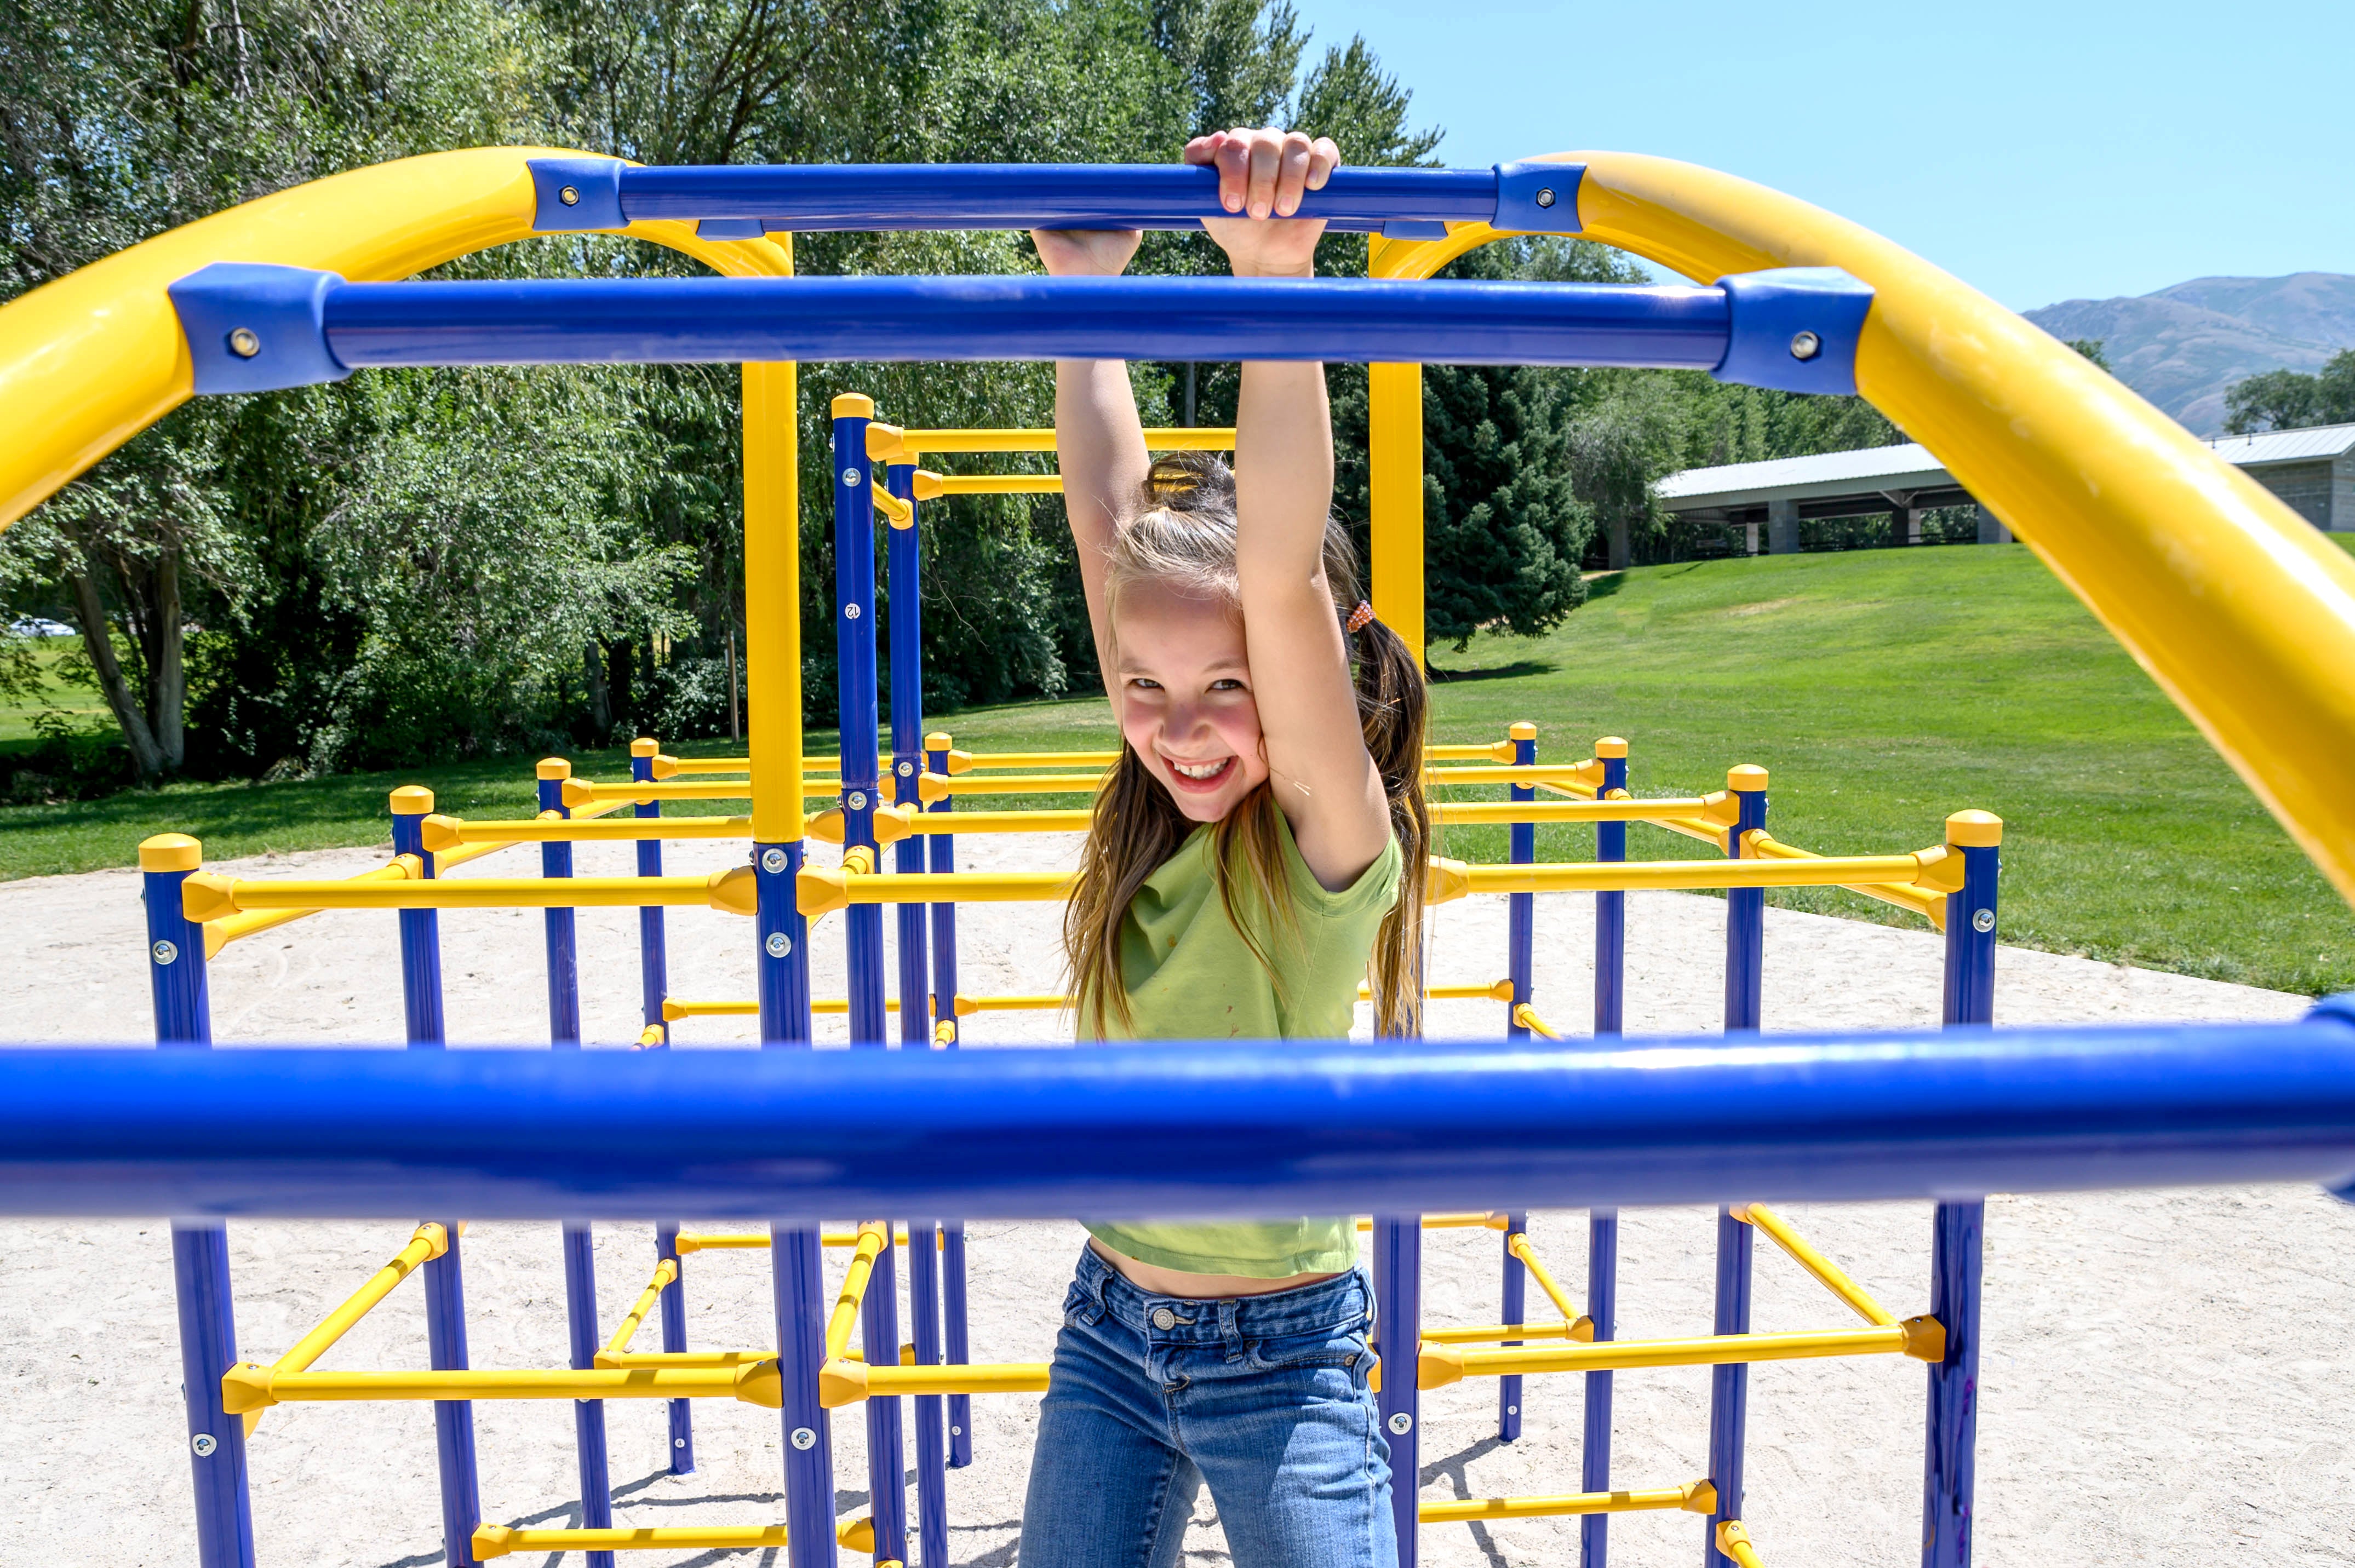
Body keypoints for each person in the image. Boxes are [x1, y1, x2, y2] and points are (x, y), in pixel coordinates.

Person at [1018, 126, 1434, 1568]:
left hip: (1283, 1355)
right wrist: (1086, 299)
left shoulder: (1324, 838)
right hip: (1108, 1334)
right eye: (1145, 689)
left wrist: (1275, 285)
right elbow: (1099, 519)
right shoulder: (1144, 817)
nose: (1177, 728)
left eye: (1226, 691)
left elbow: (1272, 565)